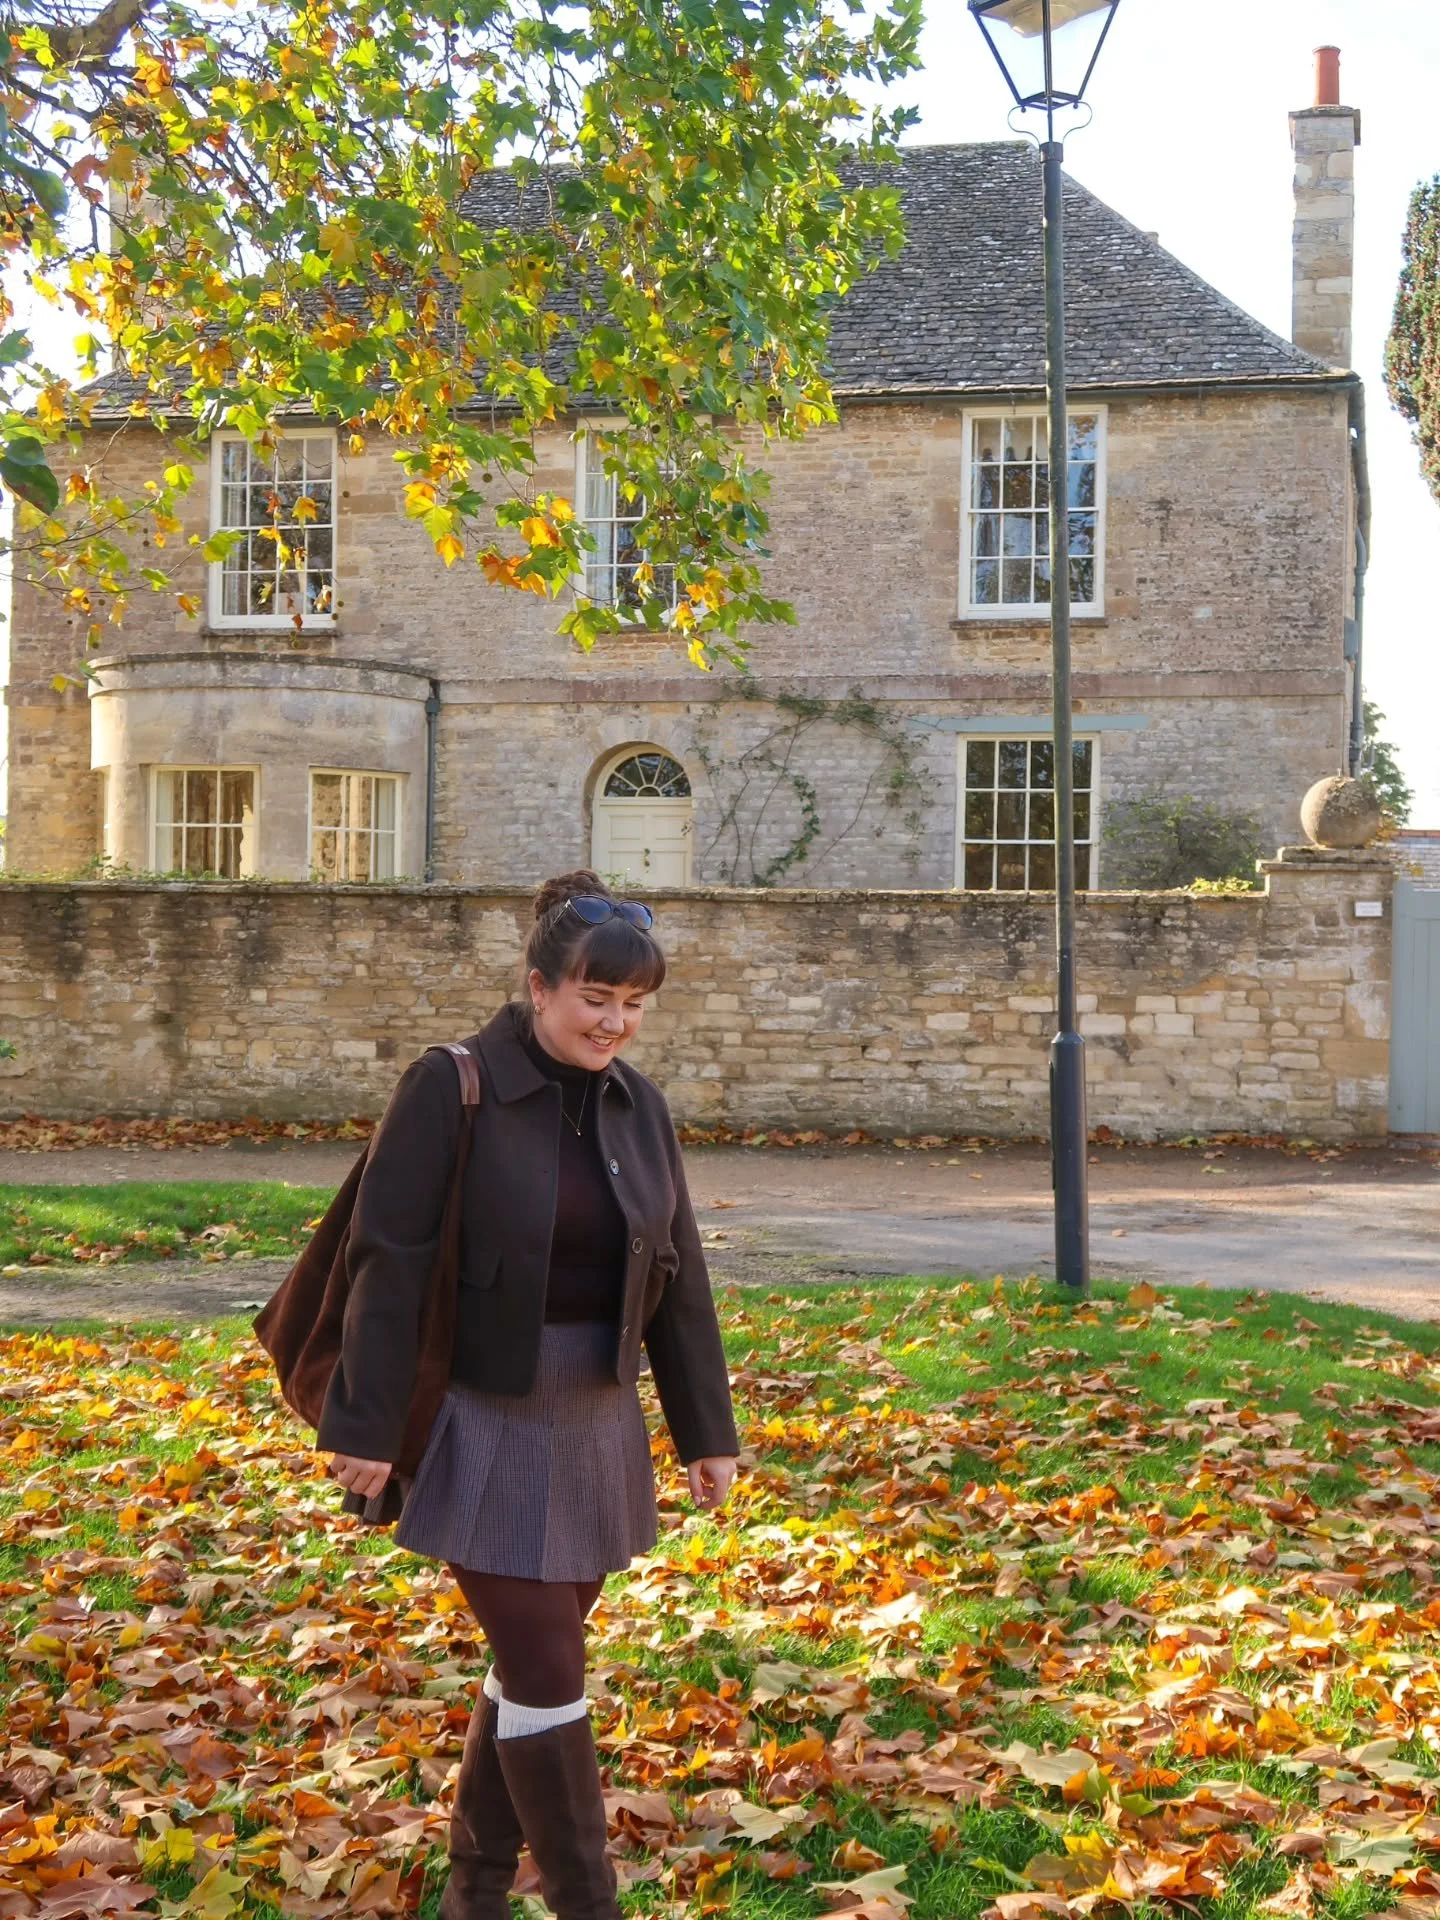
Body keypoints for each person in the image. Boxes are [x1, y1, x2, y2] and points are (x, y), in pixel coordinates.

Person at [316, 871, 740, 1920]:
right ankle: (588, 1904)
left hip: (592, 1416)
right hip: (476, 1412)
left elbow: (676, 1275)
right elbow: (389, 1261)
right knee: (549, 1663)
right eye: (596, 1000)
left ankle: (475, 1892)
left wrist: (705, 1429)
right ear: (540, 985)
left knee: (528, 1669)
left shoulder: (642, 1109)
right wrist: (364, 1426)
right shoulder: (449, 1085)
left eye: (635, 1005)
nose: (616, 1023)